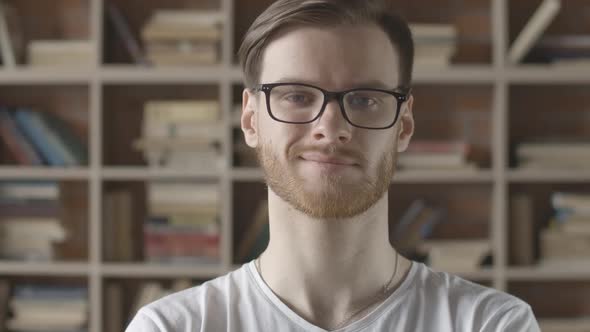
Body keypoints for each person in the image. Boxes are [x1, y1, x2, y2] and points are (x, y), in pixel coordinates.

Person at [126, 0, 541, 331]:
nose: (331, 127)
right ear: (251, 119)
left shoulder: (492, 324)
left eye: (364, 99)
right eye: (297, 96)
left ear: (404, 125)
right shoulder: (172, 326)